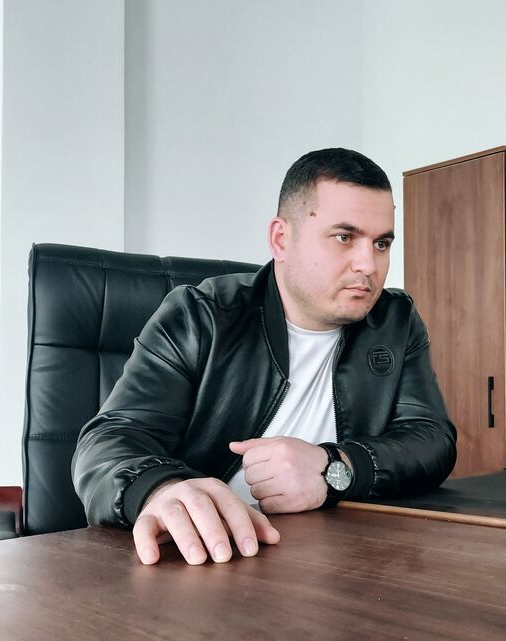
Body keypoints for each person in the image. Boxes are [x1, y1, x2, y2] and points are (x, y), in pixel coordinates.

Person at [72, 147, 457, 566]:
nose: (368, 264)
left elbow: (431, 439)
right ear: (281, 239)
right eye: (344, 237)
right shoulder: (200, 316)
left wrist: (335, 467)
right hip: (205, 559)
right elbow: (108, 440)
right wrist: (159, 489)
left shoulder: (394, 321)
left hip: (336, 558)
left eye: (381, 243)